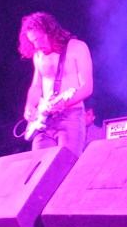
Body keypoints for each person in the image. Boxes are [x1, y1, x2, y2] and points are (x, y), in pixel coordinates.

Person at [19, 12, 93, 156]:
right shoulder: (38, 54)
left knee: (66, 164)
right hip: (44, 121)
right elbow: (36, 86)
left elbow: (87, 88)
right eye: (32, 41)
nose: (36, 45)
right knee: (40, 165)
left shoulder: (77, 47)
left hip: (70, 116)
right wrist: (29, 106)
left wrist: (63, 104)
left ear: (49, 32)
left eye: (38, 39)